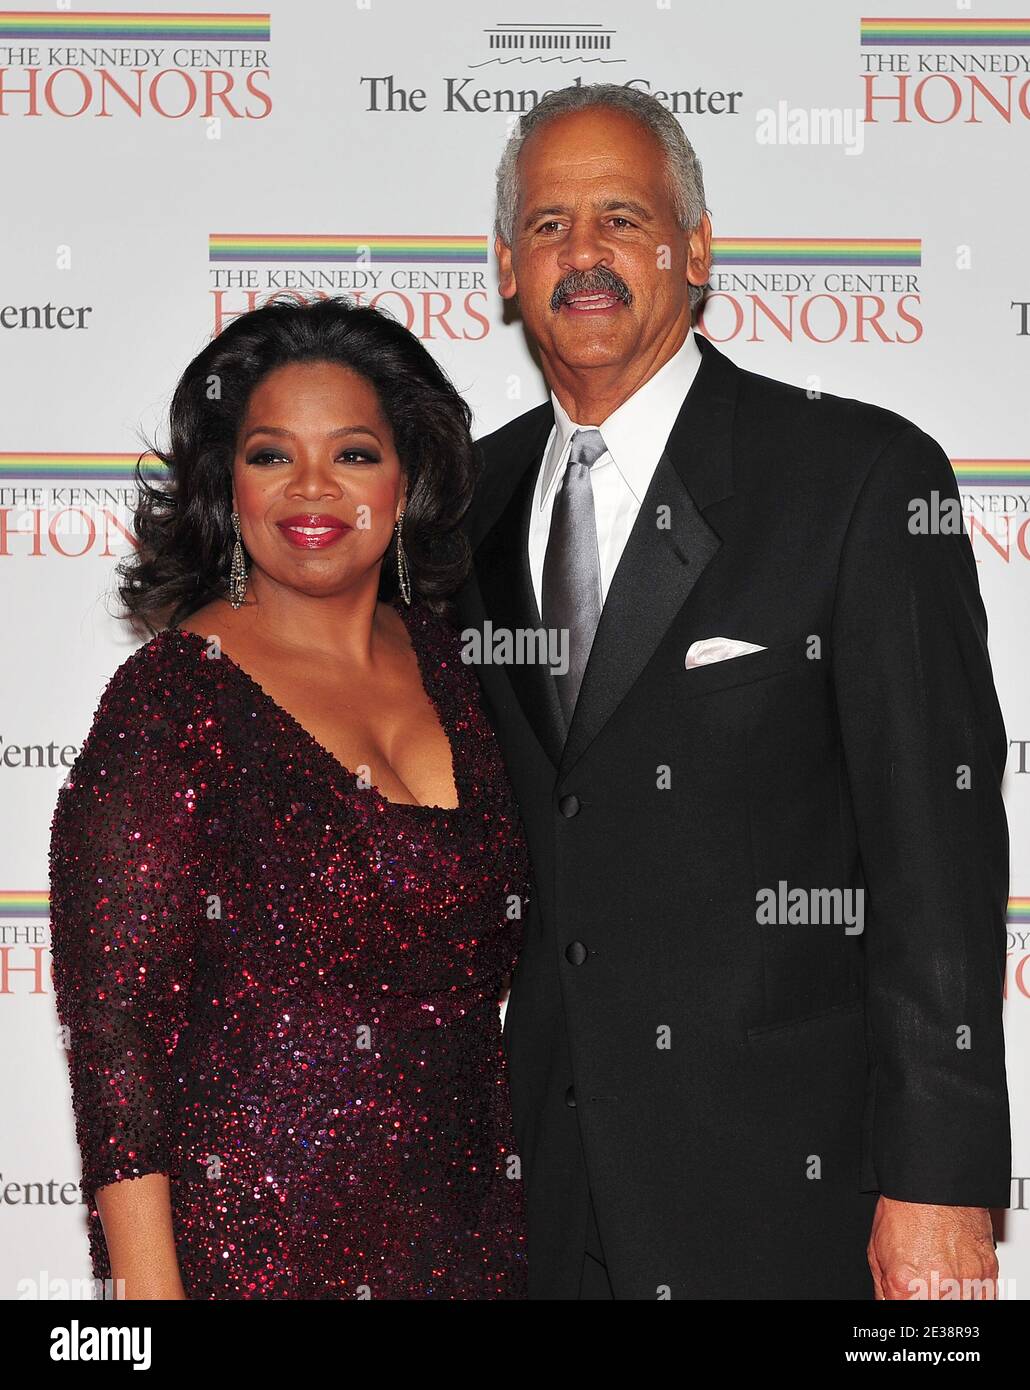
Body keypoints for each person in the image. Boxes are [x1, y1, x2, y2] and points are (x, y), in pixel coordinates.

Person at [455, 83, 1011, 1300]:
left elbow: (937, 854)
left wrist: (939, 1181)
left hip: (798, 1198)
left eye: (620, 216)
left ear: (694, 247)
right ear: (504, 265)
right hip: (547, 1198)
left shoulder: (855, 478)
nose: (584, 254)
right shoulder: (465, 506)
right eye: (548, 225)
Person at [49, 298, 530, 1300]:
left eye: (354, 453)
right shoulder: (171, 700)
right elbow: (115, 1046)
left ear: (408, 480)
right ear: (228, 483)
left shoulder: (457, 671)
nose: (313, 486)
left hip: (477, 1242)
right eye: (272, 454)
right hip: (256, 1253)